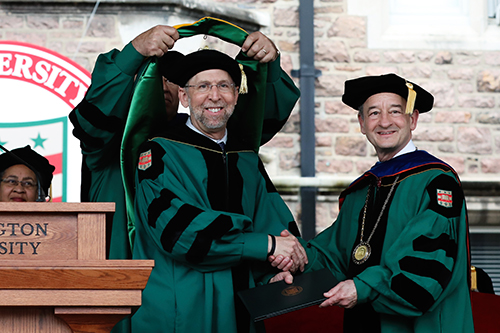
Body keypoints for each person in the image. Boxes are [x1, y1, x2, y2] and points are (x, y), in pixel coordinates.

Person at [69, 18, 301, 262]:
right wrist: (134, 51)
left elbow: (255, 116)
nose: (164, 85)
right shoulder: (108, 143)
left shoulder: (216, 145)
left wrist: (269, 61)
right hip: (118, 281)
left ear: (184, 95)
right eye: (154, 74)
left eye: (173, 79)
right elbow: (95, 114)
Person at [271, 73, 474, 332]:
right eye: (374, 113)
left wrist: (362, 287)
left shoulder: (436, 182)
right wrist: (296, 259)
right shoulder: (362, 190)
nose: (384, 121)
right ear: (362, 123)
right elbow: (333, 254)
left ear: (412, 120)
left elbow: (425, 267)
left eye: (395, 112)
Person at [131, 48, 307, 333]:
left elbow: (271, 218)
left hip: (244, 305)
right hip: (183, 309)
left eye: (224, 86)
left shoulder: (246, 157)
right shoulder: (159, 152)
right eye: (203, 86)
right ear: (185, 98)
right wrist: (265, 245)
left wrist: (278, 268)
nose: (214, 96)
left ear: (236, 96)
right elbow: (178, 231)